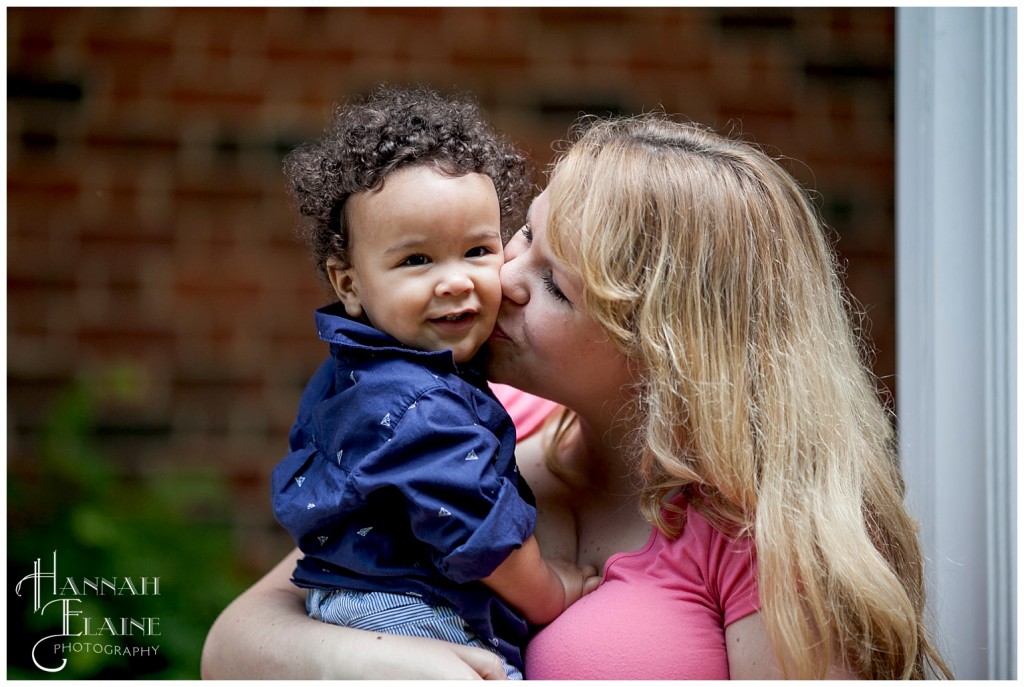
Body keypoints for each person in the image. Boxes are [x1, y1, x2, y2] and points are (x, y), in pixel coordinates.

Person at [203, 111, 953, 679]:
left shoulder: (770, 536)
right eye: (520, 237)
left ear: (667, 343)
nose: (501, 280)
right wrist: (401, 665)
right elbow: (233, 642)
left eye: (555, 283)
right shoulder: (482, 426)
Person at [268, 84, 597, 680]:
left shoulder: (360, 372)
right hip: (409, 617)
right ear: (348, 284)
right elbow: (481, 531)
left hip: (352, 596)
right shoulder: (419, 403)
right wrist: (553, 590)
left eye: (476, 250)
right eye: (417, 261)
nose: (455, 282)